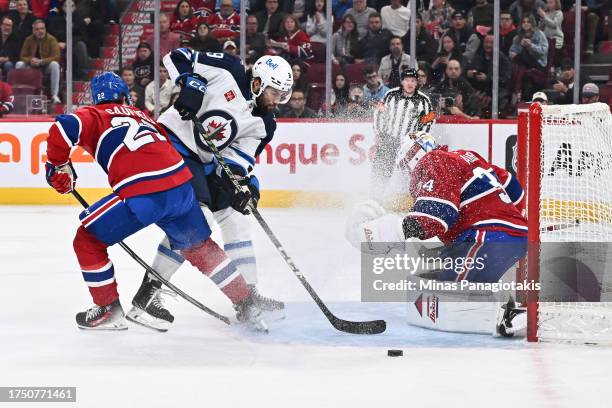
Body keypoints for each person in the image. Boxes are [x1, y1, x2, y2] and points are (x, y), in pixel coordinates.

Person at [44, 72, 269, 331]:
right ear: (126, 97)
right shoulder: (145, 117)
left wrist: (58, 166)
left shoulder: (95, 114)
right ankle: (246, 303)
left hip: (145, 190)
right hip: (181, 185)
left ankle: (108, 310)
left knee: (87, 240)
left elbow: (62, 128)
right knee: (201, 248)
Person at [127, 52, 292, 330]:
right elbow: (176, 56)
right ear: (258, 84)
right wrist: (190, 83)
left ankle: (247, 297)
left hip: (203, 162)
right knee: (196, 221)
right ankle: (150, 289)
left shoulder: (266, 124)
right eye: (275, 92)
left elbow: (237, 160)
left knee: (235, 218)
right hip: (172, 144)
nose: (278, 100)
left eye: (283, 95)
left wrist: (243, 185)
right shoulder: (228, 70)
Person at [345, 131, 528, 336]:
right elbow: (516, 192)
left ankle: (510, 314)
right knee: (452, 283)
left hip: (487, 238)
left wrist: (382, 232)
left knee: (449, 299)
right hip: (509, 236)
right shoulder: (467, 156)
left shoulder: (433, 160)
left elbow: (436, 214)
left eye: (407, 168)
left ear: (414, 157)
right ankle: (506, 307)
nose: (411, 176)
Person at [372, 67, 434, 202]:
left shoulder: (424, 100)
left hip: (408, 144)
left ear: (417, 83)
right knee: (381, 170)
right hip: (389, 139)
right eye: (407, 80)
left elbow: (429, 122)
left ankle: (415, 201)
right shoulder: (391, 95)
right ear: (402, 81)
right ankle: (376, 199)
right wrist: (378, 134)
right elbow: (379, 113)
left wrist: (419, 139)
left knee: (413, 174)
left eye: (412, 80)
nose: (410, 83)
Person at [16, 19, 61, 104]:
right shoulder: (28, 39)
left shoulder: (52, 39)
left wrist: (42, 61)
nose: (40, 31)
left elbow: (56, 57)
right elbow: (22, 56)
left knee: (55, 64)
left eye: (42, 28)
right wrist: (30, 60)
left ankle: (54, 95)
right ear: (33, 30)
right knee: (19, 64)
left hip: (46, 66)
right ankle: (19, 94)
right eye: (37, 29)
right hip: (31, 66)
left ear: (45, 29)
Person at [509, 15, 548, 102]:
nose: (526, 24)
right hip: (523, 64)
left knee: (522, 54)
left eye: (528, 22)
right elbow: (512, 51)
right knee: (521, 57)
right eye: (524, 22)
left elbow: (544, 51)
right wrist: (513, 54)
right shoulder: (517, 37)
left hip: (538, 63)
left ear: (532, 23)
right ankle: (517, 89)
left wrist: (531, 46)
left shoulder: (540, 34)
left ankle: (516, 90)